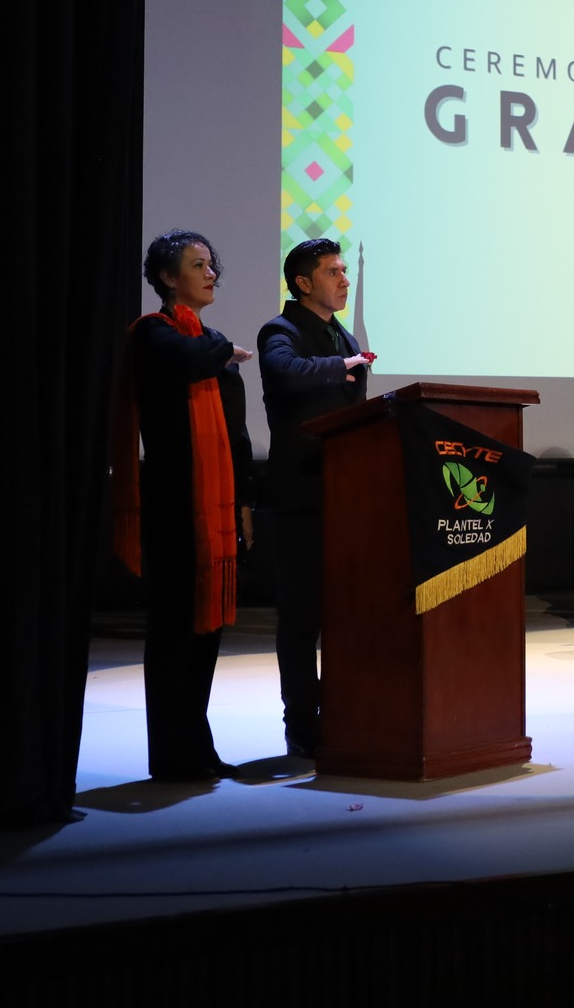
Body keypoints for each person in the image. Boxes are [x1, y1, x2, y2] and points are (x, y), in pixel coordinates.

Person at [112, 230, 252, 782]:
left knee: (206, 631)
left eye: (211, 264)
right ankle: (171, 754)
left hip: (215, 507)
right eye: (198, 265)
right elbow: (190, 358)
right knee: (174, 630)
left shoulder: (210, 340)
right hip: (174, 506)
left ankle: (198, 746)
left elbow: (236, 433)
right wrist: (223, 351)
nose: (211, 273)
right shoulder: (154, 332)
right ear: (169, 278)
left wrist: (243, 502)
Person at [255, 237, 370, 759]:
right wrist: (341, 365)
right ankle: (301, 724)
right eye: (333, 272)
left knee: (347, 613)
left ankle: (344, 714)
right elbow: (285, 371)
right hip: (299, 495)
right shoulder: (280, 331)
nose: (344, 280)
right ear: (303, 283)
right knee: (301, 620)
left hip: (345, 494)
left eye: (345, 270)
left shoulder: (343, 334)